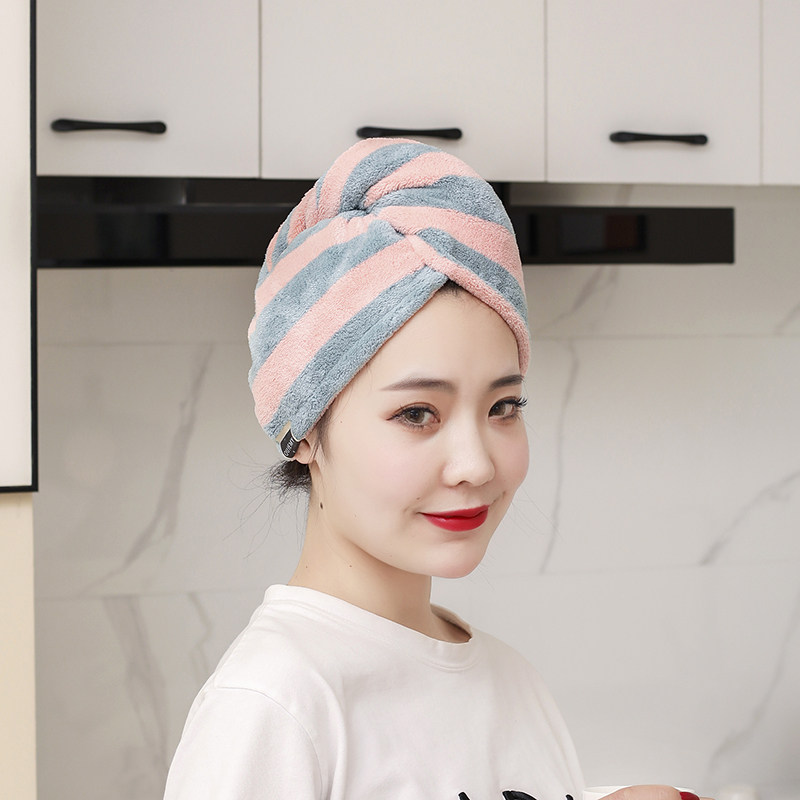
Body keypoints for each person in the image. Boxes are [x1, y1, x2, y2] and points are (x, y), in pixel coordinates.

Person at [163, 138, 700, 800]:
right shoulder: (275, 703)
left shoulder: (510, 681)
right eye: (417, 413)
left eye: (503, 407)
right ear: (304, 430)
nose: (475, 464)